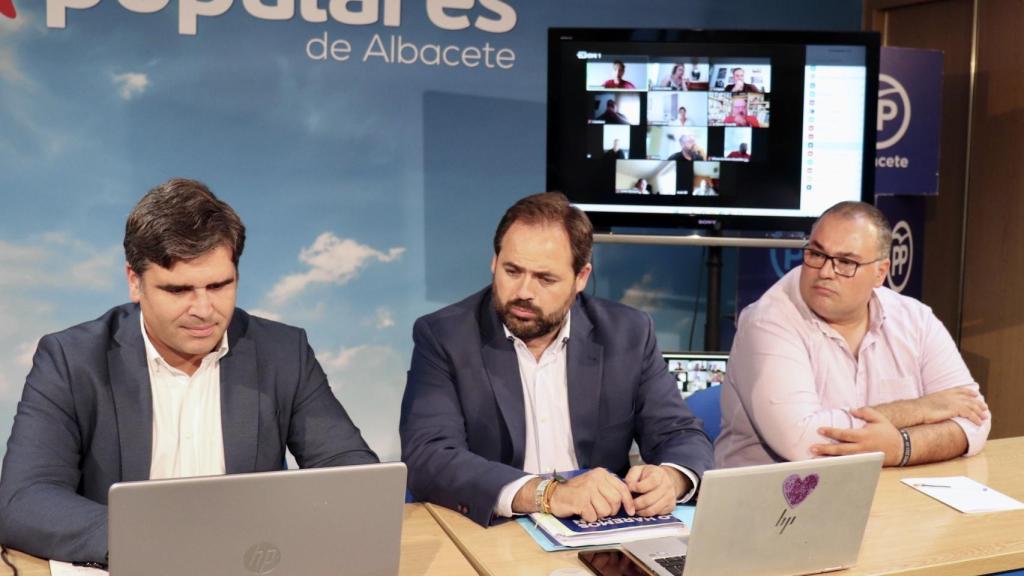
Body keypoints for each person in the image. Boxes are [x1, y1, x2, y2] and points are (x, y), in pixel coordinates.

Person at [0, 178, 379, 564]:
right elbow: (24, 499)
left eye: (219, 285)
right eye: (179, 290)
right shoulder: (70, 359)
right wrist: (161, 544)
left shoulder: (284, 352)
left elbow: (354, 476)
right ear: (135, 281)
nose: (203, 309)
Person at [400, 192, 713, 527]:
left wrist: (671, 479)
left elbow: (678, 433)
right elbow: (430, 456)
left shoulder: (628, 334)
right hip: (497, 528)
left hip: (602, 528)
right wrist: (546, 494)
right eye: (512, 270)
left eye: (545, 278)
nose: (523, 291)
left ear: (581, 277)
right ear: (494, 262)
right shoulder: (445, 336)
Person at [717, 202, 990, 468]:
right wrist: (918, 410)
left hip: (890, 495)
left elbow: (975, 420)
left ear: (880, 273)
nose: (825, 272)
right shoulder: (767, 322)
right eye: (817, 254)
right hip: (775, 502)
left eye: (846, 262)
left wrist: (902, 448)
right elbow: (804, 442)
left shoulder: (915, 319)